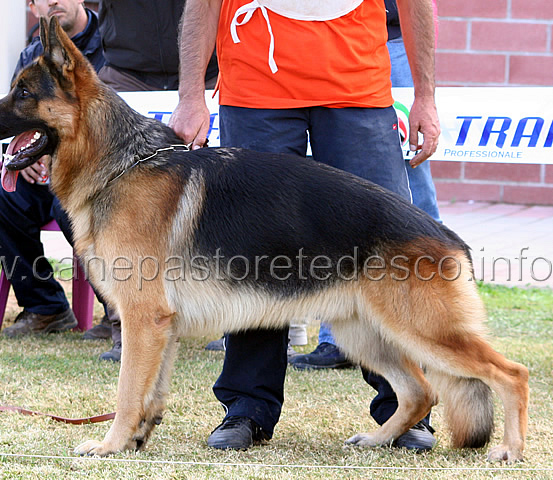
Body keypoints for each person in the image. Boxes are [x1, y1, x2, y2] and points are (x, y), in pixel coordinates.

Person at [169, 0, 440, 451]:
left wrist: (426, 96)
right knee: (250, 256)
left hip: (359, 89)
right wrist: (189, 95)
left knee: (385, 255)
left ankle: (405, 408)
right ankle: (247, 407)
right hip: (254, 90)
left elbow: (417, 6)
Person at [289, 0, 442, 371]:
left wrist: (426, 95)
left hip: (389, 37)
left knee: (406, 192)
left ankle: (435, 323)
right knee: (329, 197)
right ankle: (336, 335)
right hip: (308, 40)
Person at [81, 0, 219, 361]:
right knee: (91, 197)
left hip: (213, 71)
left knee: (228, 201)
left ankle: (232, 326)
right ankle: (124, 323)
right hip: (126, 74)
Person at [0, 0, 104, 338]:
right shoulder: (31, 54)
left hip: (93, 175)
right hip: (43, 172)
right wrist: (25, 155)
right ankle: (44, 307)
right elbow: (17, 116)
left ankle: (117, 313)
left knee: (73, 209)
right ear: (32, 7)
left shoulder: (112, 45)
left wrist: (58, 155)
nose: (53, 2)